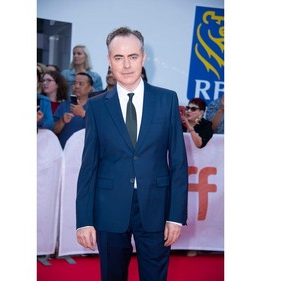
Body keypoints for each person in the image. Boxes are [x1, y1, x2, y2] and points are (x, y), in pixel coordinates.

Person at [76, 27, 188, 281]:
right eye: (118, 58)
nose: (126, 65)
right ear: (109, 60)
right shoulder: (95, 106)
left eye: (133, 57)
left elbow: (179, 163)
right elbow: (89, 166)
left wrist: (176, 216)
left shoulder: (167, 100)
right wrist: (84, 219)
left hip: (156, 207)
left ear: (143, 57)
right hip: (109, 208)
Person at [53, 72, 93, 148]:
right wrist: (62, 121)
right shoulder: (64, 105)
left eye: (81, 84)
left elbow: (100, 130)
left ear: (90, 88)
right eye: (74, 83)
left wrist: (83, 114)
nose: (77, 86)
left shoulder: (95, 107)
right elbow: (53, 130)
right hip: (63, 152)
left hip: (84, 153)